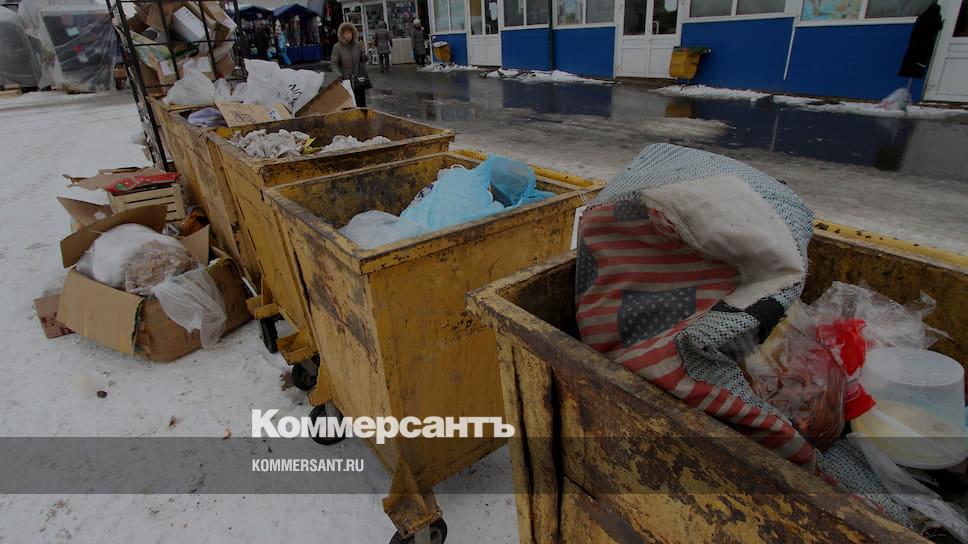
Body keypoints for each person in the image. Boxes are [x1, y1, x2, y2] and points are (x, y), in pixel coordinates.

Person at [331, 22, 367, 107]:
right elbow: (334, 63)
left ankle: (363, 114)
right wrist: (338, 74)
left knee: (361, 101)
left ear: (353, 33)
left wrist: (364, 56)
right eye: (346, 33)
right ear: (342, 35)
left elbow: (362, 58)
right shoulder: (337, 47)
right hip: (346, 79)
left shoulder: (358, 45)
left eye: (350, 33)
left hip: (358, 78)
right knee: (351, 102)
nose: (348, 35)